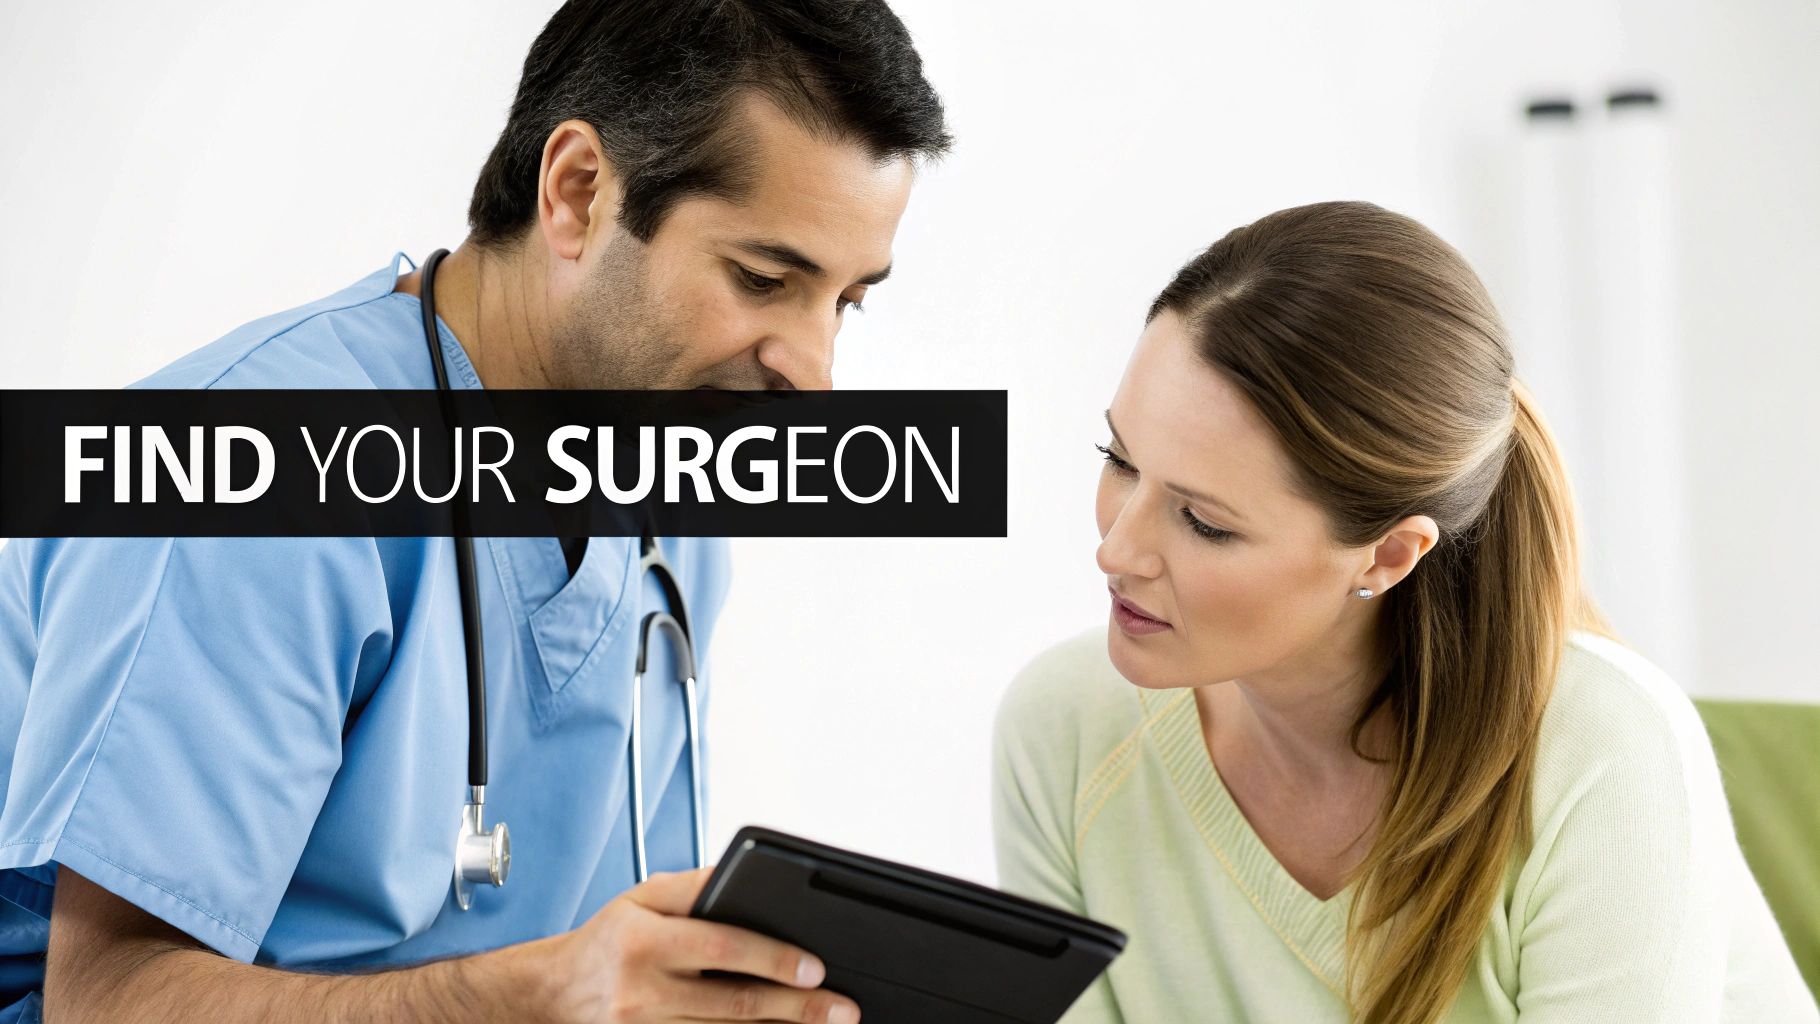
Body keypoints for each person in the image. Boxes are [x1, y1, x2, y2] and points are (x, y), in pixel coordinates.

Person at [0, 2, 948, 1022]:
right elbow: (101, 999)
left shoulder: (671, 515)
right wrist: (531, 999)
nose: (814, 375)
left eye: (845, 301)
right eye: (763, 278)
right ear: (578, 192)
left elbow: (631, 963)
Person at [993, 201, 1818, 1022]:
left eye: (1205, 522)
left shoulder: (1605, 759)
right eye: (1120, 461)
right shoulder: (1066, 731)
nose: (1116, 551)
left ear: (1389, 555)